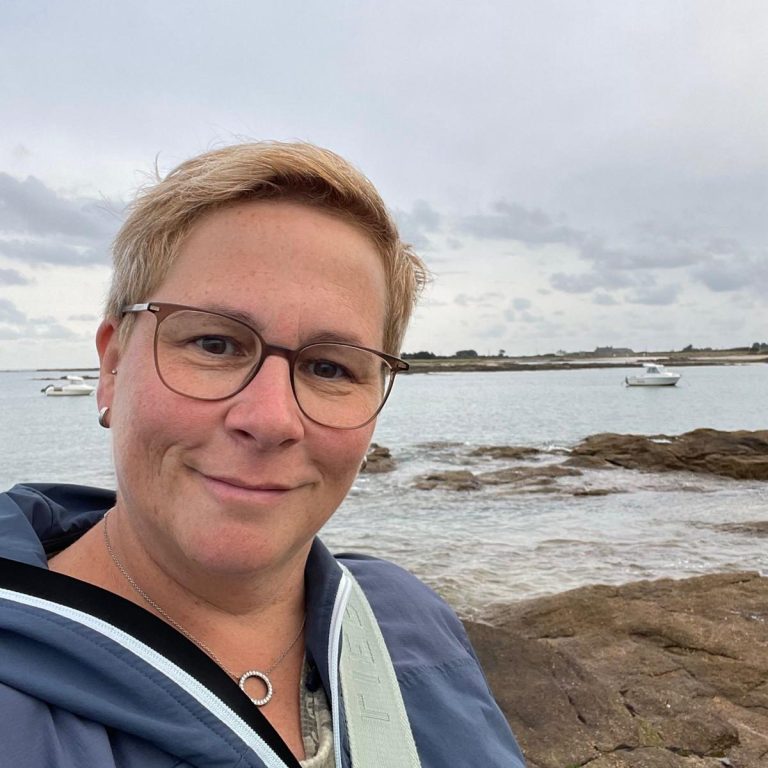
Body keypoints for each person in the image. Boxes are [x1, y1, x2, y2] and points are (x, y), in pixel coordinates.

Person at [0, 142, 525, 768]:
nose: (271, 419)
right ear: (112, 366)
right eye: (215, 344)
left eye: (330, 367)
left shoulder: (405, 622)